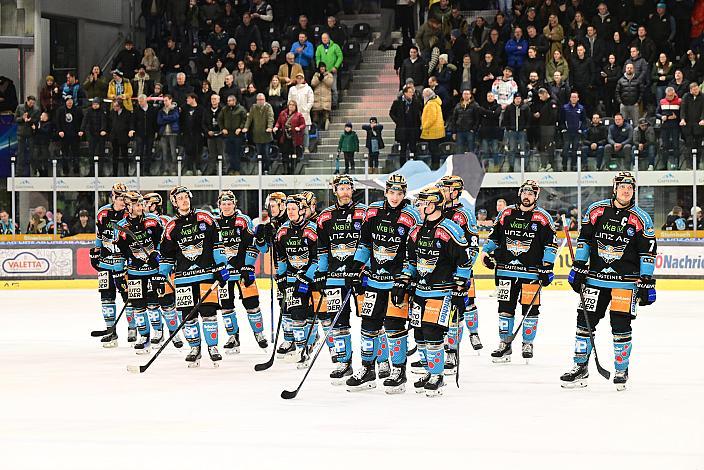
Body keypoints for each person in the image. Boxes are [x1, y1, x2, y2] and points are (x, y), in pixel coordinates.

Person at [562, 172, 657, 390]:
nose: (626, 190)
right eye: (622, 186)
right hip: (595, 280)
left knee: (621, 325)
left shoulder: (641, 218)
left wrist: (646, 281)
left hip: (625, 283)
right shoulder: (596, 210)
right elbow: (584, 239)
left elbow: (648, 252)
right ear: (614, 189)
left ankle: (621, 370)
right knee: (584, 323)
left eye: (630, 187)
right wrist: (578, 265)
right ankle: (580, 367)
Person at [344, 175, 420, 392]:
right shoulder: (373, 211)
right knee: (368, 326)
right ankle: (368, 369)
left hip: (397, 283)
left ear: (404, 194)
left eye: (399, 193)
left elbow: (413, 253)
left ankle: (398, 371)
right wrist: (356, 265)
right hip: (375, 281)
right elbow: (366, 242)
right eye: (392, 192)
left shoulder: (412, 216)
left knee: (395, 328)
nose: (395, 197)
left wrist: (405, 278)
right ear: (385, 192)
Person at [394, 186, 471, 396]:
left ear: (433, 204)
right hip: (420, 291)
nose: (419, 207)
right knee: (419, 333)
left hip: (441, 291)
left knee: (432, 331)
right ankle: (429, 371)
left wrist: (459, 288)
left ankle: (438, 376)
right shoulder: (416, 230)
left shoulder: (450, 230)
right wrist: (403, 282)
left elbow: (464, 262)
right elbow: (411, 262)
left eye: (422, 203)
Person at [480, 180, 558, 363]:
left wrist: (547, 266)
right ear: (519, 193)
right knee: (505, 309)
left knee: (530, 311)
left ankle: (527, 343)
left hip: (531, 273)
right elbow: (495, 238)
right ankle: (504, 344)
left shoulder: (543, 218)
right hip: (506, 270)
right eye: (525, 192)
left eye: (531, 193)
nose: (527, 196)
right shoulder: (506, 213)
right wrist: (485, 252)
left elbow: (551, 244)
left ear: (536, 196)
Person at [158, 186, 229, 367]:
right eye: (180, 198)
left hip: (206, 274)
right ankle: (194, 348)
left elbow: (217, 244)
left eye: (186, 197)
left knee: (209, 312)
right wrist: (160, 276)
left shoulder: (205, 218)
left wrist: (221, 266)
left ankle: (212, 347)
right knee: (188, 316)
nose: (184, 200)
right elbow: (166, 255)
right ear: (175, 203)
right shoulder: (171, 226)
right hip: (183, 278)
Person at [316, 175, 367, 383]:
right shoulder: (325, 216)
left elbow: (370, 244)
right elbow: (322, 248)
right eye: (341, 188)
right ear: (334, 191)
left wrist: (365, 269)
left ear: (353, 190)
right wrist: (321, 272)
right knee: (338, 322)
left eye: (348, 188)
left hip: (361, 276)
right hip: (335, 277)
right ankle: (344, 363)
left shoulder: (364, 213)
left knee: (372, 321)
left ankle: (376, 363)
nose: (345, 192)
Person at [438, 176, 482, 371]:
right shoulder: (435, 211)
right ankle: (436, 348)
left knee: (463, 308)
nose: (443, 193)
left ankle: (453, 350)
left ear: (456, 192)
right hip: (437, 273)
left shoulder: (464, 214)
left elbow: (473, 247)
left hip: (459, 272)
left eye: (446, 189)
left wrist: (464, 270)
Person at [216, 190, 268, 354]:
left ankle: (259, 334)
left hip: (241, 271)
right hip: (224, 273)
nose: (226, 206)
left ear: (234, 204)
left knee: (252, 303)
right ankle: (233, 337)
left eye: (229, 203)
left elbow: (252, 245)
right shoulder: (215, 222)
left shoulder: (243, 220)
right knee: (226, 307)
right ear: (219, 205)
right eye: (223, 204)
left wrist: (248, 266)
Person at [113, 191, 163, 353]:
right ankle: (144, 336)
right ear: (129, 206)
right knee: (138, 306)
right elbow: (119, 253)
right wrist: (118, 273)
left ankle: (158, 332)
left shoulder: (153, 221)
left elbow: (164, 243)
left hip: (153, 270)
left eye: (142, 204)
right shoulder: (121, 227)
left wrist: (158, 256)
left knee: (154, 304)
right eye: (137, 205)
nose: (141, 207)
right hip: (135, 271)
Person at [273, 194, 319, 363]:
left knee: (310, 314)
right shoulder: (283, 231)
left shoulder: (312, 230)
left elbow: (317, 259)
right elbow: (282, 258)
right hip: (293, 278)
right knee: (296, 313)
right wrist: (281, 276)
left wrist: (307, 277)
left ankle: (311, 341)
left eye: (294, 209)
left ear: (301, 210)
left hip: (311, 277)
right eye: (289, 209)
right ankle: (301, 348)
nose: (290, 212)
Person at [90, 183, 131, 348]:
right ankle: (110, 330)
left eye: (124, 197)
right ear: (112, 196)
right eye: (119, 197)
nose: (122, 200)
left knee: (127, 295)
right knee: (106, 296)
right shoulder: (103, 213)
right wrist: (96, 251)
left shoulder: (129, 214)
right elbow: (99, 234)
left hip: (124, 263)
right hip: (106, 261)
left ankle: (134, 329)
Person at [389, 84, 422, 166]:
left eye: (412, 92)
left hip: (412, 129)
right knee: (403, 149)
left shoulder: (415, 102)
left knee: (413, 148)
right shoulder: (397, 102)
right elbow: (391, 113)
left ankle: (415, 165)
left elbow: (419, 113)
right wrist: (398, 121)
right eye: (410, 92)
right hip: (402, 129)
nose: (412, 94)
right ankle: (402, 166)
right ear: (405, 93)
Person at [242, 93, 274, 172]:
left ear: (265, 100)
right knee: (259, 154)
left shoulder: (268, 107)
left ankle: (266, 169)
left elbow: (271, 118)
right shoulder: (253, 107)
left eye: (262, 100)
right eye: (259, 100)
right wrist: (246, 127)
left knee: (266, 154)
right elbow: (249, 119)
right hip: (257, 135)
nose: (260, 101)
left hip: (266, 135)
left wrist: (270, 127)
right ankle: (260, 170)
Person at [273, 100, 306, 174]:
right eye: (290, 105)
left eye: (293, 105)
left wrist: (299, 128)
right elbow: (278, 122)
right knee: (285, 154)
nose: (291, 106)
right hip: (285, 137)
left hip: (294, 137)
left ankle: (292, 170)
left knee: (294, 155)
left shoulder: (299, 115)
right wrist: (276, 127)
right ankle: (286, 170)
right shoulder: (283, 113)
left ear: (295, 106)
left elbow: (303, 124)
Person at [218, 94, 247, 175]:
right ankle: (230, 169)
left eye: (230, 101)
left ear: (234, 101)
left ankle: (237, 169)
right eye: (227, 101)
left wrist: (240, 128)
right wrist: (222, 128)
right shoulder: (224, 109)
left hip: (237, 135)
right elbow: (220, 119)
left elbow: (245, 120)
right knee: (229, 153)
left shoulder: (241, 109)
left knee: (237, 153)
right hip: (228, 135)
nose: (228, 102)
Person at [55, 95, 83, 176]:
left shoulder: (77, 110)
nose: (70, 103)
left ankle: (76, 170)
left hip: (75, 136)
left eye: (71, 101)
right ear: (65, 101)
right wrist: (59, 131)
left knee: (76, 154)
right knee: (65, 154)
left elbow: (82, 121)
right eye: (68, 101)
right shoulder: (61, 110)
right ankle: (65, 171)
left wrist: (81, 131)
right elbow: (57, 121)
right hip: (64, 136)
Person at [532, 87, 558, 171]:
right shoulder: (544, 103)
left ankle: (551, 164)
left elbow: (553, 116)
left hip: (550, 127)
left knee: (550, 146)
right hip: (543, 127)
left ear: (545, 94)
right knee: (542, 146)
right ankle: (543, 164)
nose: (540, 98)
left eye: (540, 96)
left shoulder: (552, 102)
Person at [560, 92, 588, 171]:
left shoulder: (581, 108)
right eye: (572, 97)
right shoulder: (565, 108)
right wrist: (563, 129)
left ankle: (573, 166)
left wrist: (581, 129)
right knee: (565, 148)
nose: (574, 98)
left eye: (575, 97)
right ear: (570, 98)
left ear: (578, 98)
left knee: (575, 150)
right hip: (567, 132)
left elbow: (584, 121)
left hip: (577, 132)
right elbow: (561, 120)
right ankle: (564, 166)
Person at [287, 72, 314, 152]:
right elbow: (289, 100)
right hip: (294, 114)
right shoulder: (292, 89)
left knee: (305, 132)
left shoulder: (308, 89)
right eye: (297, 78)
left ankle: (306, 147)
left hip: (304, 114)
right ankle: (295, 148)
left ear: (303, 79)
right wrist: (291, 110)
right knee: (293, 131)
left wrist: (306, 109)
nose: (299, 79)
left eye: (300, 78)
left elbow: (311, 100)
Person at [679, 82, 704, 169]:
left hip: (699, 125)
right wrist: (682, 119)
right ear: (690, 90)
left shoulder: (702, 96)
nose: (696, 91)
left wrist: (703, 119)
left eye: (697, 89)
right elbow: (683, 108)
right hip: (688, 125)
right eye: (694, 90)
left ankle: (697, 165)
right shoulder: (686, 96)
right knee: (689, 146)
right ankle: (689, 165)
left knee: (698, 146)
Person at [656, 87, 682, 170]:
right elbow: (657, 113)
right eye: (668, 95)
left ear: (674, 94)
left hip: (675, 125)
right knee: (664, 145)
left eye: (671, 95)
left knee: (676, 145)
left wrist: (676, 117)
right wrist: (662, 117)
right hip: (665, 125)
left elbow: (683, 113)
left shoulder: (679, 101)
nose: (669, 97)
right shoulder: (662, 101)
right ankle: (664, 165)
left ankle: (676, 165)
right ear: (666, 94)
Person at [502, 93, 529, 171]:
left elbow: (528, 118)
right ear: (514, 99)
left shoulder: (525, 107)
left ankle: (524, 166)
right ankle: (511, 166)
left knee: (523, 149)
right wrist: (508, 128)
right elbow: (505, 119)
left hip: (522, 131)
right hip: (512, 132)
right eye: (516, 98)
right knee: (512, 149)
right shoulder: (509, 108)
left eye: (519, 98)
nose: (518, 100)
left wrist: (525, 128)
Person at [132, 94, 158, 175]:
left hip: (150, 133)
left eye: (141, 101)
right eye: (139, 101)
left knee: (148, 152)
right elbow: (133, 122)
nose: (140, 103)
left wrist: (156, 131)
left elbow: (155, 121)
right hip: (140, 134)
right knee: (139, 151)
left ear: (145, 100)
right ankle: (140, 169)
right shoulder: (136, 110)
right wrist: (133, 130)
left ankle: (147, 170)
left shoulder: (152, 109)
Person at [315, 33, 343, 108]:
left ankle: (334, 104)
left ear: (329, 38)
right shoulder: (319, 48)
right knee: (324, 90)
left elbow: (340, 56)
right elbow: (317, 58)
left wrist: (336, 66)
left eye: (325, 38)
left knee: (334, 88)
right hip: (323, 72)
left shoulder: (335, 46)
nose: (324, 39)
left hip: (332, 71)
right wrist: (319, 66)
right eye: (322, 38)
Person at [15, 95, 40, 177]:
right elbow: (15, 119)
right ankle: (19, 173)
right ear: (27, 101)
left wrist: (30, 121)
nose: (31, 104)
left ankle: (34, 172)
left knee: (33, 154)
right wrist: (22, 118)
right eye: (30, 102)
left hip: (31, 134)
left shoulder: (36, 109)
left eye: (33, 103)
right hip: (21, 133)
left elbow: (37, 120)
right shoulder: (20, 107)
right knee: (20, 153)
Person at [476, 91, 502, 170]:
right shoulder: (482, 106)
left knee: (495, 151)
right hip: (485, 133)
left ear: (494, 97)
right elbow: (482, 112)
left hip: (494, 133)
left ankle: (496, 167)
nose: (490, 97)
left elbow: (496, 114)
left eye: (491, 96)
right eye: (488, 96)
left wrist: (486, 114)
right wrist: (491, 113)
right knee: (485, 151)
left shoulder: (498, 106)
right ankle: (485, 167)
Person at [180, 93, 204, 176]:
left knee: (198, 152)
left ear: (193, 99)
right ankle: (189, 169)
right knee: (188, 152)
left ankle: (198, 168)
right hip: (187, 134)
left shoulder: (200, 109)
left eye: (188, 98)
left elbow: (203, 121)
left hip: (197, 134)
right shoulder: (184, 108)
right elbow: (182, 120)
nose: (187, 100)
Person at [420, 88, 445, 170]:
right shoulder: (435, 102)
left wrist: (424, 126)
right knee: (435, 149)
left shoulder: (431, 104)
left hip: (432, 131)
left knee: (433, 149)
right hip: (436, 130)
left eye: (424, 94)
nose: (422, 95)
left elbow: (431, 118)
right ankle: (435, 165)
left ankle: (435, 166)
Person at [80, 97, 108, 168]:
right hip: (91, 133)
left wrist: (103, 130)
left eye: (96, 104)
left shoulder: (102, 111)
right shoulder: (88, 111)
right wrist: (81, 130)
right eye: (94, 104)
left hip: (100, 134)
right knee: (91, 152)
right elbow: (85, 121)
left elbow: (104, 121)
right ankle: (91, 169)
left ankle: (101, 169)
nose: (95, 105)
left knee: (101, 152)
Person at [108, 99, 133, 177]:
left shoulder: (127, 113)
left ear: (120, 106)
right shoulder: (112, 113)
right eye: (114, 106)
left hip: (123, 137)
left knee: (125, 156)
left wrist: (130, 131)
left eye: (116, 106)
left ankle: (126, 173)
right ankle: (114, 173)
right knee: (114, 156)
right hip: (114, 137)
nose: (114, 107)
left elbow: (130, 124)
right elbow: (109, 124)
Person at [157, 94, 180, 173]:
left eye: (166, 100)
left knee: (173, 153)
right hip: (163, 133)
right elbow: (159, 121)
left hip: (173, 133)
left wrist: (165, 118)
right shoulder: (161, 110)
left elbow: (175, 117)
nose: (165, 102)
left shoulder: (175, 109)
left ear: (170, 100)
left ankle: (174, 170)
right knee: (164, 153)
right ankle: (166, 169)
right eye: (164, 101)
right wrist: (168, 119)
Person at [202, 93, 224, 175]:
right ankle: (212, 171)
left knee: (221, 154)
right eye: (212, 99)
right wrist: (207, 131)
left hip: (220, 136)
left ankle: (223, 171)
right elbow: (203, 123)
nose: (213, 101)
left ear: (218, 100)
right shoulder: (206, 110)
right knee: (212, 155)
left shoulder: (223, 110)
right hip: (210, 136)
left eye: (215, 99)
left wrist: (222, 130)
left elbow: (226, 122)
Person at [311, 64, 334, 131]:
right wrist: (318, 78)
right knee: (315, 115)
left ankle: (325, 126)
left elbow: (330, 83)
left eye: (323, 67)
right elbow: (313, 83)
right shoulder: (316, 75)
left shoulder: (329, 75)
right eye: (321, 67)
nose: (322, 69)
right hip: (317, 97)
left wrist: (323, 78)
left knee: (325, 115)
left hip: (326, 97)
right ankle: (316, 128)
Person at [31, 111, 53, 177]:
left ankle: (45, 173)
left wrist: (37, 129)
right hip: (37, 143)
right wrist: (34, 130)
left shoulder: (49, 124)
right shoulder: (38, 123)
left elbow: (45, 131)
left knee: (45, 159)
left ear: (46, 117)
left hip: (44, 144)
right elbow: (35, 132)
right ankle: (39, 171)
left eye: (42, 115)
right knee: (35, 158)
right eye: (41, 115)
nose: (41, 116)